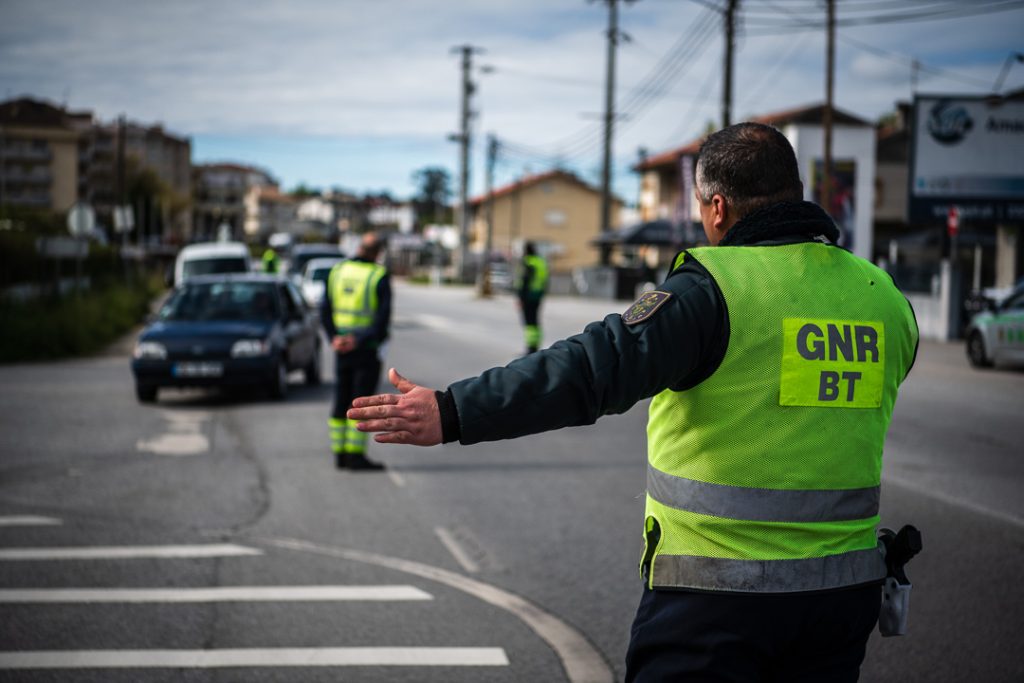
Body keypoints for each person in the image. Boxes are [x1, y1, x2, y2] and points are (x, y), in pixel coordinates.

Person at [347, 122, 919, 681]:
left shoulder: (713, 291)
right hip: (840, 601)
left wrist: (452, 411)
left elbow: (589, 370)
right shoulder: (882, 298)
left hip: (714, 596)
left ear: (717, 207)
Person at [321, 233, 391, 471]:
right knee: (361, 404)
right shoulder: (378, 275)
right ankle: (355, 457)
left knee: (341, 399)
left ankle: (340, 455)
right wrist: (358, 340)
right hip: (366, 350)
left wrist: (334, 338)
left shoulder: (338, 271)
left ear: (360, 247)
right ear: (377, 252)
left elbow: (324, 309)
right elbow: (381, 321)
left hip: (341, 350)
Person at [516, 241, 548, 354]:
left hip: (527, 297)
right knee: (535, 321)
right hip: (537, 296)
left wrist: (520, 298)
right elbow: (545, 281)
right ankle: (535, 346)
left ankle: (530, 348)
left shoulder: (528, 262)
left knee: (529, 323)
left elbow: (525, 281)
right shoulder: (540, 262)